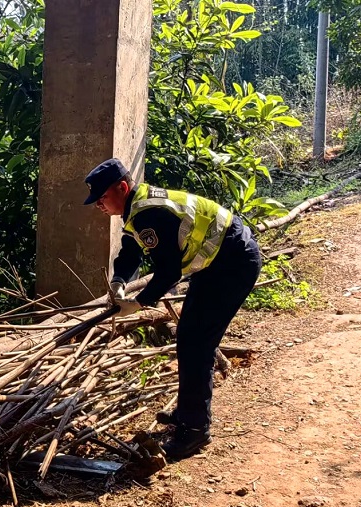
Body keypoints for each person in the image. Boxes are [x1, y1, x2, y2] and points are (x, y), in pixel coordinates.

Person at [83, 158, 262, 460]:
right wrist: (118, 281)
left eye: (102, 198)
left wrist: (139, 303)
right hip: (216, 263)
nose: (99, 205)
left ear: (122, 187)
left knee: (197, 343)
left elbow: (168, 271)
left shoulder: (149, 213)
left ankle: (194, 431)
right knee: (189, 339)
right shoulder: (137, 209)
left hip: (233, 263)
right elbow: (130, 251)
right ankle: (188, 414)